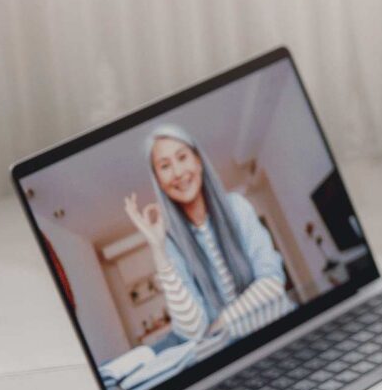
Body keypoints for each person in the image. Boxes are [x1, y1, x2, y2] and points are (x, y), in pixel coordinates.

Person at [123, 122, 294, 351]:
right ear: (159, 183)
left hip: (284, 331)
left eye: (182, 157)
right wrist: (157, 248)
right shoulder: (171, 243)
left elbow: (273, 282)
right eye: (165, 166)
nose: (178, 172)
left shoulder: (237, 206)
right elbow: (193, 330)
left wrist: (220, 323)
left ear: (198, 161)